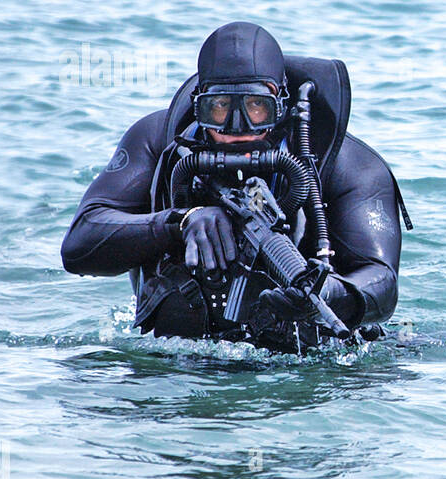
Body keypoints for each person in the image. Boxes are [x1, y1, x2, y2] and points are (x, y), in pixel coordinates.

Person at [62, 21, 411, 351]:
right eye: (219, 107)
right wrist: (179, 222)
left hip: (302, 363)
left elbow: (382, 281)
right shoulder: (157, 142)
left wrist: (328, 294)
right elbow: (80, 244)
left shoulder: (347, 165)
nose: (237, 125)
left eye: (258, 106)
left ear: (282, 103)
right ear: (199, 104)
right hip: (177, 361)